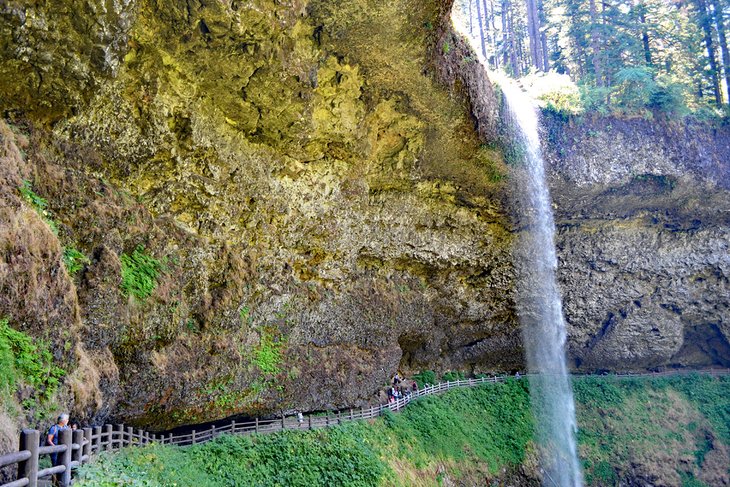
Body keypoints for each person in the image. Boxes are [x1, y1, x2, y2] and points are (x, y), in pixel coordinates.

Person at [48, 414, 69, 485]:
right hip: (55, 451)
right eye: (67, 419)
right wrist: (55, 448)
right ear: (62, 420)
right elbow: (49, 440)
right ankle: (53, 483)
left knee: (63, 465)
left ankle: (60, 483)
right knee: (55, 466)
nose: (67, 421)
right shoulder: (54, 428)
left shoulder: (66, 428)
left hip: (64, 451)